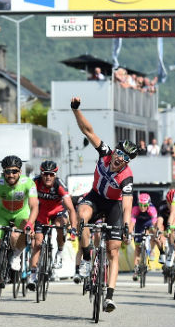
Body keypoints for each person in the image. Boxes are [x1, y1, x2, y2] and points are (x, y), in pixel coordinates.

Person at [71, 96, 137, 313]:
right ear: (116, 151)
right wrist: (75, 110)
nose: (119, 159)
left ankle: (109, 297)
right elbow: (88, 131)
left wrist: (126, 225)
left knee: (113, 251)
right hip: (95, 196)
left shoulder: (126, 177)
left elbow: (127, 204)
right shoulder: (105, 153)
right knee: (82, 217)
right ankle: (87, 260)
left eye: (125, 158)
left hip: (114, 206)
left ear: (127, 162)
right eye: (120, 153)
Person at [0, 155, 39, 302]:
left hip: (20, 215)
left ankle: (16, 253)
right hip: (2, 216)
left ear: (20, 172)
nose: (11, 175)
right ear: (3, 172)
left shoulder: (28, 183)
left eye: (14, 171)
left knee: (27, 228)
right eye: (7, 171)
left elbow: (34, 206)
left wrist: (30, 223)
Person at [27, 160, 77, 290]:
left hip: (57, 211)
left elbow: (71, 209)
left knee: (61, 225)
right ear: (41, 174)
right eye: (45, 174)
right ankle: (33, 276)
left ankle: (59, 252)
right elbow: (27, 203)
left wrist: (74, 228)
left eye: (51, 174)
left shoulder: (59, 185)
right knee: (37, 243)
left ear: (55, 175)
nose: (48, 177)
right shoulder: (35, 182)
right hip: (41, 212)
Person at [129, 193, 157, 281]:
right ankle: (136, 270)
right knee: (137, 249)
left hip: (149, 223)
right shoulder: (135, 209)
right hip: (139, 224)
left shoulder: (152, 209)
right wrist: (129, 233)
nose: (142, 207)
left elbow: (155, 224)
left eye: (145, 205)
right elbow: (132, 224)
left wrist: (156, 234)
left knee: (154, 232)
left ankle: (151, 250)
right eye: (140, 205)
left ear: (148, 204)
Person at [156, 189, 175, 264]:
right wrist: (159, 232)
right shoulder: (162, 205)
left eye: (173, 204)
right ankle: (161, 252)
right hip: (164, 221)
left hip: (174, 223)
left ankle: (174, 252)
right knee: (157, 235)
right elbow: (160, 220)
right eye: (169, 203)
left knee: (173, 232)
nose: (171, 206)